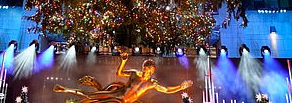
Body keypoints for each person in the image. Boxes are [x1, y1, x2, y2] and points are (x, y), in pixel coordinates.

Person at [53, 48, 193, 102]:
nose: (146, 71)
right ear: (143, 68)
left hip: (125, 102)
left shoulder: (153, 84)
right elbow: (119, 73)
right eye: (145, 68)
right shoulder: (134, 74)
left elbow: (167, 90)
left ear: (152, 71)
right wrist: (123, 61)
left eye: (149, 70)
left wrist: (181, 87)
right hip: (118, 94)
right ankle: (65, 89)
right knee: (90, 97)